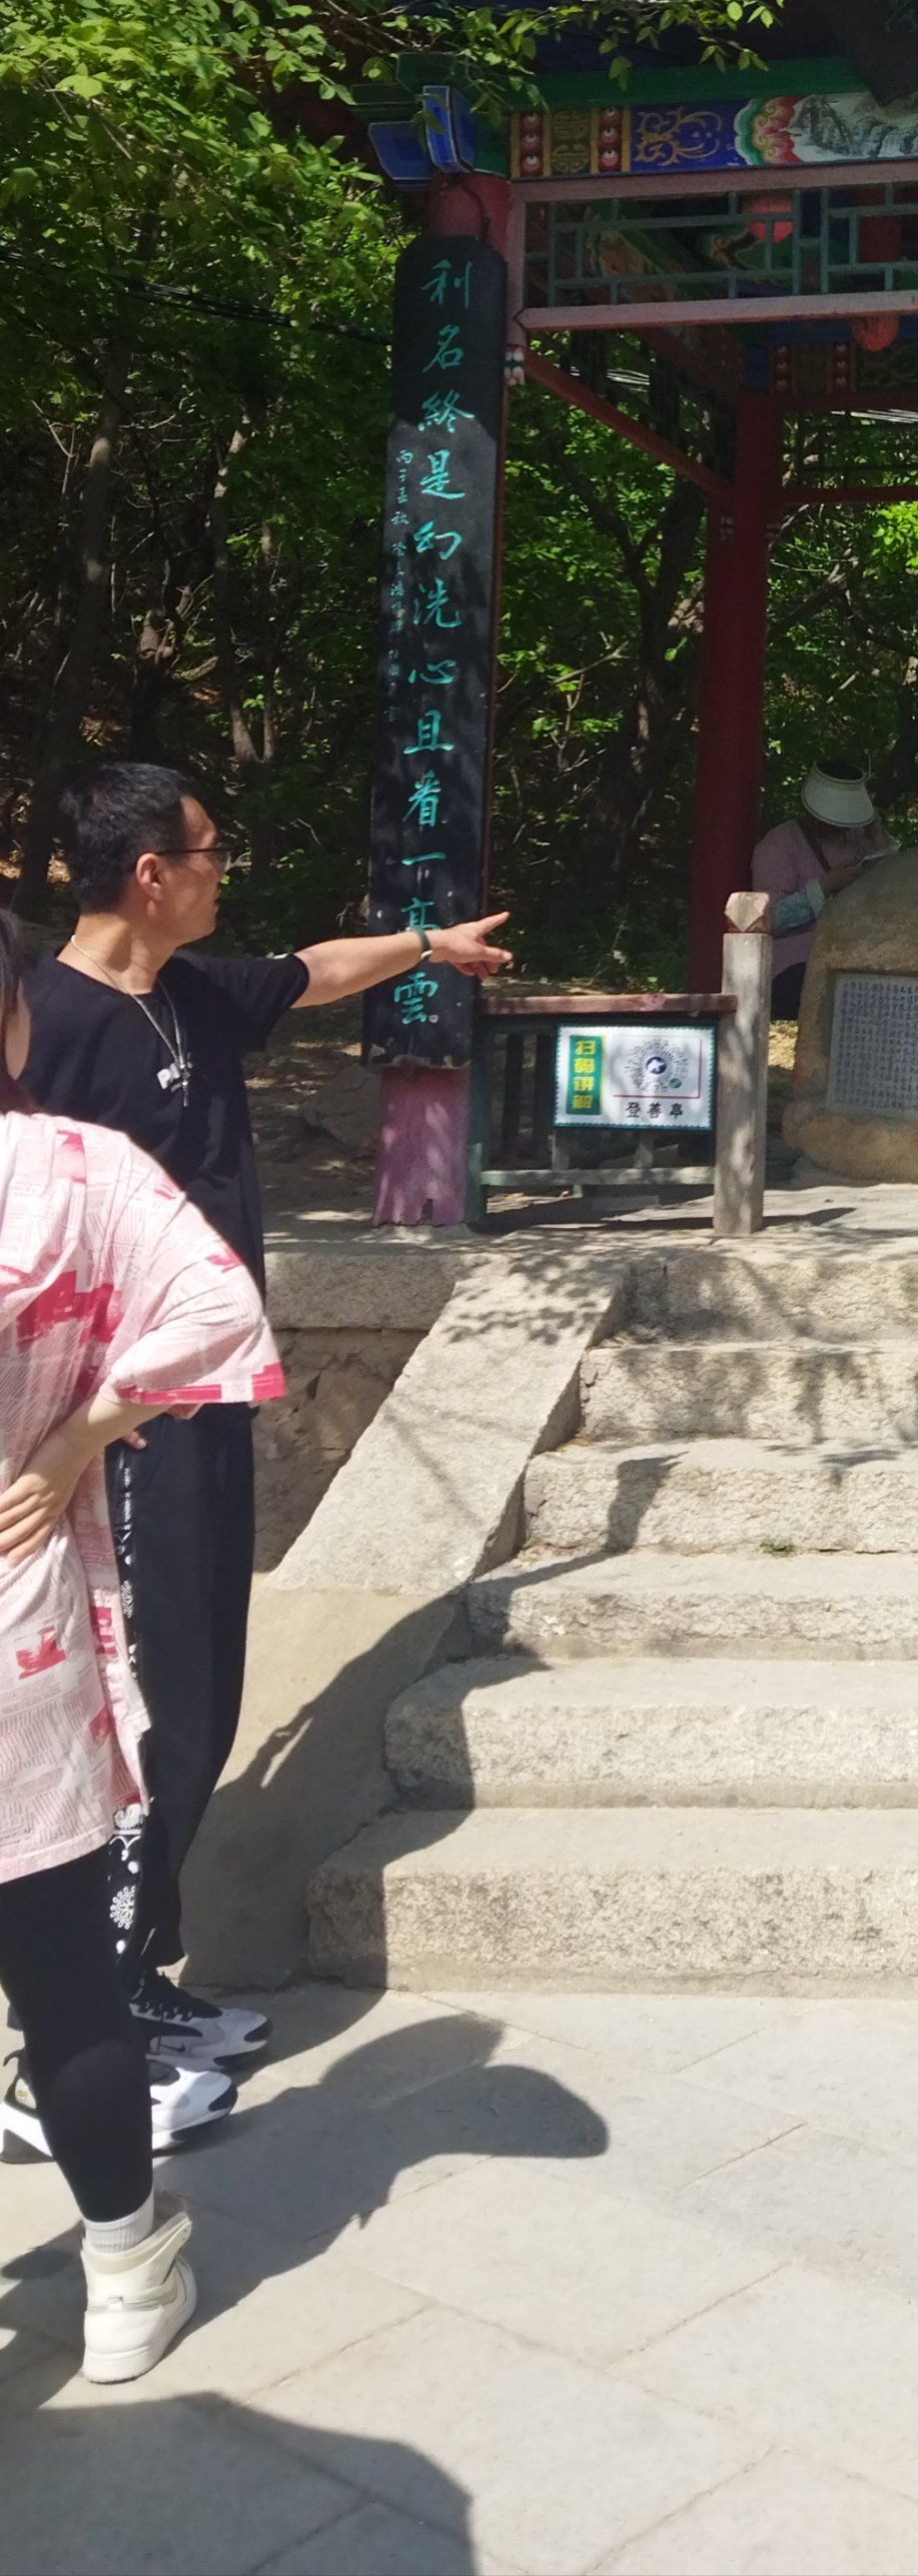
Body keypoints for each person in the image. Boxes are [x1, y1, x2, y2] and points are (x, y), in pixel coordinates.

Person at [19, 759, 510, 2102]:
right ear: (149, 875)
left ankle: (138, 1981)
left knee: (202, 1687)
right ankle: (65, 2044)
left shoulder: (189, 994)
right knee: (144, 1702)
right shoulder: (49, 1025)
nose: (225, 871)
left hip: (207, 1398)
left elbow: (314, 969)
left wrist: (426, 943)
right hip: (113, 1424)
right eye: (213, 852)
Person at [0, 904, 284, 2382]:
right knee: (60, 1979)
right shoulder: (72, 1172)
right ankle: (123, 2269)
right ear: (12, 1023)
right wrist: (82, 1429)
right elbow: (213, 1306)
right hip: (17, 1629)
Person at [751, 764, 892, 1016]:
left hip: (856, 952)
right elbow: (770, 920)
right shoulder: (779, 845)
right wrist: (826, 885)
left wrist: (877, 835)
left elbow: (894, 889)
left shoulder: (859, 838)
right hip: (795, 964)